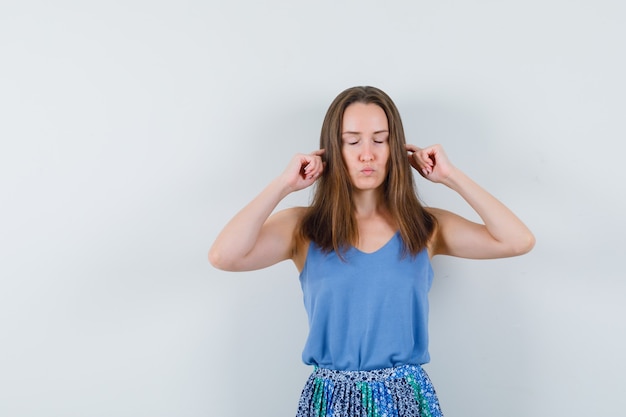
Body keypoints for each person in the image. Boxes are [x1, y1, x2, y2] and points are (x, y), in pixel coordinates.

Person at [209, 86, 535, 417]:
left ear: (396, 147)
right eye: (352, 141)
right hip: (330, 402)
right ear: (333, 150)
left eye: (380, 140)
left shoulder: (424, 226)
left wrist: (451, 176)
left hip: (406, 400)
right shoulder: (303, 228)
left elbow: (516, 240)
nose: (368, 154)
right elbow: (225, 256)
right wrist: (283, 184)